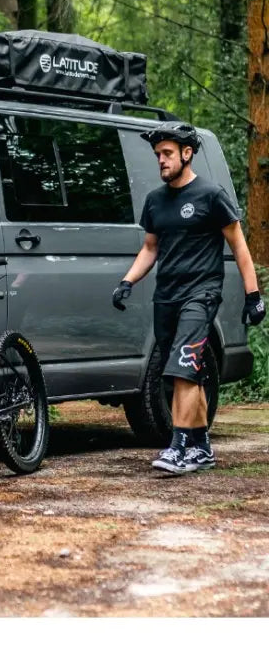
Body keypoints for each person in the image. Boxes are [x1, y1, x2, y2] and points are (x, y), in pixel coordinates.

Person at [112, 122, 266, 474]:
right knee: (185, 374)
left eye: (167, 154)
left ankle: (179, 447)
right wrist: (127, 281)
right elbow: (150, 248)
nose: (161, 161)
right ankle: (203, 448)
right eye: (157, 156)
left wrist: (253, 295)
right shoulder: (155, 201)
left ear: (187, 153)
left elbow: (239, 247)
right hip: (167, 296)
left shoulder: (211, 195)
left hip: (201, 294)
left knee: (183, 367)